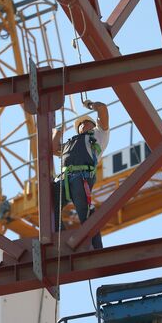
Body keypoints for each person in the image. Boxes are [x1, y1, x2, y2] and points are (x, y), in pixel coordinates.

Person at [52, 100, 109, 249]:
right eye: (80, 124)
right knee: (50, 208)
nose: (82, 125)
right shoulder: (71, 143)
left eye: (86, 122)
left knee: (86, 216)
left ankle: (97, 250)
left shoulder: (99, 135)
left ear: (94, 124)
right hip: (64, 180)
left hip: (82, 176)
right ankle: (62, 242)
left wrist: (90, 105)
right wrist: (59, 131)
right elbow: (53, 148)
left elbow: (102, 109)